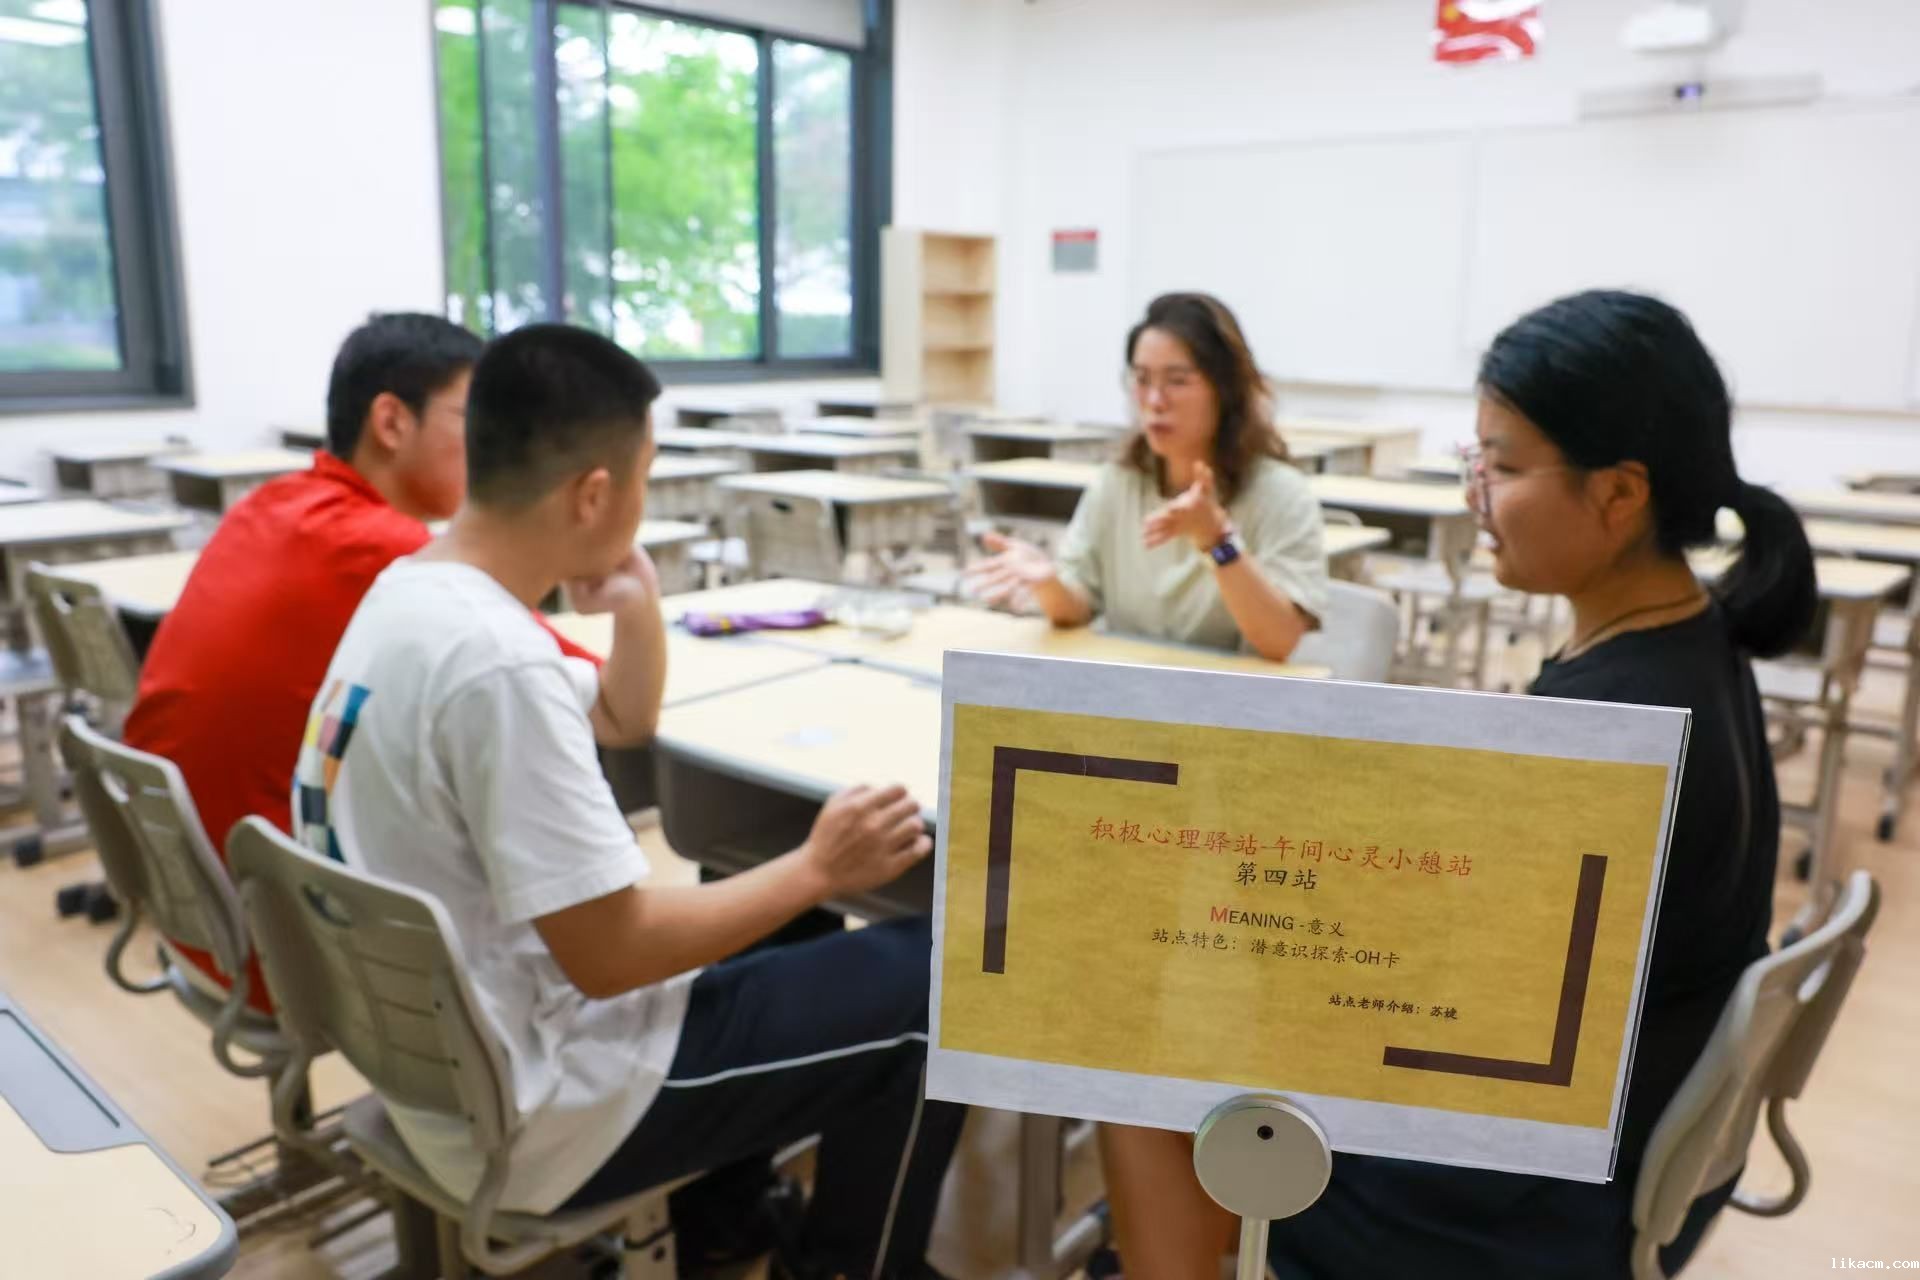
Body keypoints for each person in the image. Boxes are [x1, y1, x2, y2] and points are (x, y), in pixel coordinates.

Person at [1094, 290, 1814, 1280]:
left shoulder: (1606, 730)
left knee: (1132, 1049)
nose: (1477, 490)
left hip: (1502, 1207)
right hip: (1605, 1138)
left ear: (1618, 494)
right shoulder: (1694, 645)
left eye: (1505, 466)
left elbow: (1431, 1007)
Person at [291, 324, 964, 1280]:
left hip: (446, 1070)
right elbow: (612, 956)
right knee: (935, 983)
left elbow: (621, 715)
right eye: (643, 479)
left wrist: (636, 605)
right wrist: (820, 865)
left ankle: (723, 1220)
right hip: (551, 1107)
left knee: (778, 914)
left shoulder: (414, 595)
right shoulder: (498, 666)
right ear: (594, 494)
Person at [123, 311, 600, 1013]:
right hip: (285, 941)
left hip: (192, 908)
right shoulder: (383, 549)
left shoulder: (271, 503)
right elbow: (581, 682)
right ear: (392, 421)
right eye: (472, 419)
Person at [966, 292, 1329, 661]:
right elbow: (1078, 607)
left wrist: (1217, 541)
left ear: (1226, 390)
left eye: (1177, 381)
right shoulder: (1118, 483)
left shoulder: (1281, 494)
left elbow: (1279, 641)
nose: (1155, 400)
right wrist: (1048, 584)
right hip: (1131, 688)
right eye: (1141, 379)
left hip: (1230, 694)